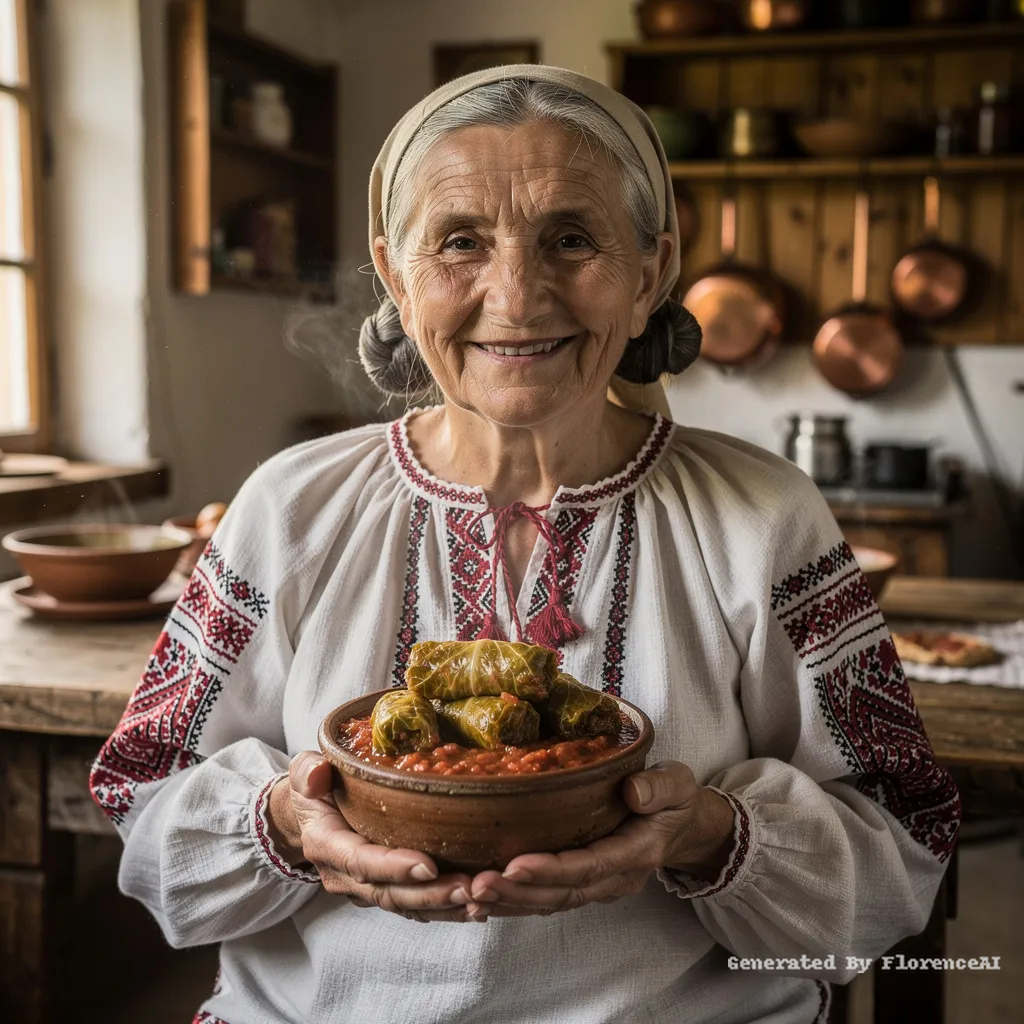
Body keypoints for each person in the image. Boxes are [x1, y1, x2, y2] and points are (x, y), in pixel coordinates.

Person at [90, 65, 960, 1024]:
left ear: (652, 273)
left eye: (573, 239)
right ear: (395, 273)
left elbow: (901, 851)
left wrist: (709, 835)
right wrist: (287, 825)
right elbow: (145, 810)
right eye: (460, 242)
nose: (516, 297)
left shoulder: (763, 517)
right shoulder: (291, 508)